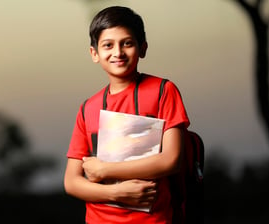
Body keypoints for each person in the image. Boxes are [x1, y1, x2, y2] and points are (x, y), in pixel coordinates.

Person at [64, 6, 190, 224]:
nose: (118, 52)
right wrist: (116, 193)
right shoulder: (88, 108)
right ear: (94, 53)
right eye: (108, 45)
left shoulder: (163, 91)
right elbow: (71, 182)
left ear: (143, 48)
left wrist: (104, 169)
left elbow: (172, 160)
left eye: (127, 43)